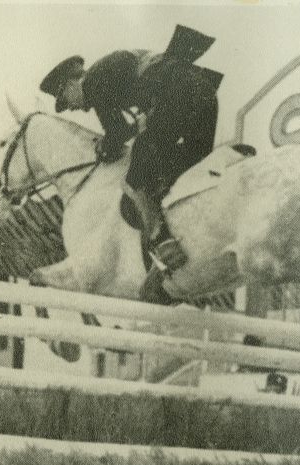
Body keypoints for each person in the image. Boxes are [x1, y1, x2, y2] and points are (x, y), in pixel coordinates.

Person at [39, 25, 221, 290]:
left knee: (133, 180)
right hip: (204, 91)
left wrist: (104, 147)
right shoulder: (109, 71)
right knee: (185, 166)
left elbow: (115, 136)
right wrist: (130, 130)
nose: (74, 109)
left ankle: (162, 241)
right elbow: (124, 129)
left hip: (177, 92)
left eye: (66, 100)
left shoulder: (94, 82)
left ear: (71, 84)